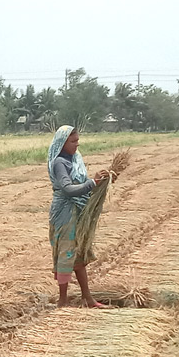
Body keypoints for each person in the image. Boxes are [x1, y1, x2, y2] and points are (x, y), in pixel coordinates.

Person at [48, 125, 113, 308]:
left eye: (77, 140)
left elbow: (81, 184)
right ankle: (62, 301)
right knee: (66, 253)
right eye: (73, 141)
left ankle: (88, 297)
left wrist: (100, 181)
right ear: (62, 143)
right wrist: (93, 183)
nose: (77, 144)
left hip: (78, 211)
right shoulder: (60, 162)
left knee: (79, 254)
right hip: (64, 213)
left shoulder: (75, 159)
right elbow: (68, 189)